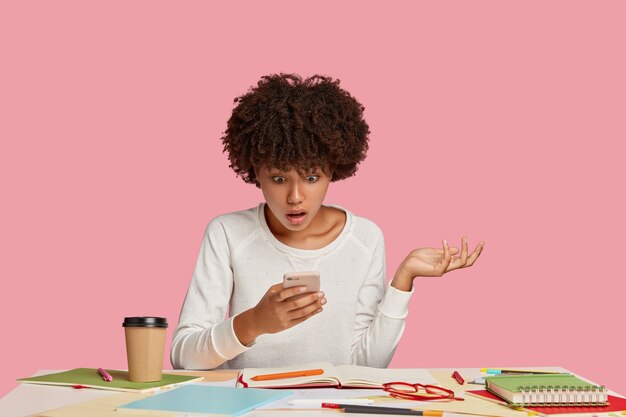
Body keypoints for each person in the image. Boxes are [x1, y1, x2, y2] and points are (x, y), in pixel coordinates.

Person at [170, 73, 484, 370]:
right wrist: (253, 323)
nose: (295, 196)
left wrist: (404, 279)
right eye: (279, 178)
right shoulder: (227, 234)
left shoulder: (364, 238)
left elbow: (367, 367)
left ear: (332, 170)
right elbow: (184, 357)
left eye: (311, 177)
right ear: (256, 171)